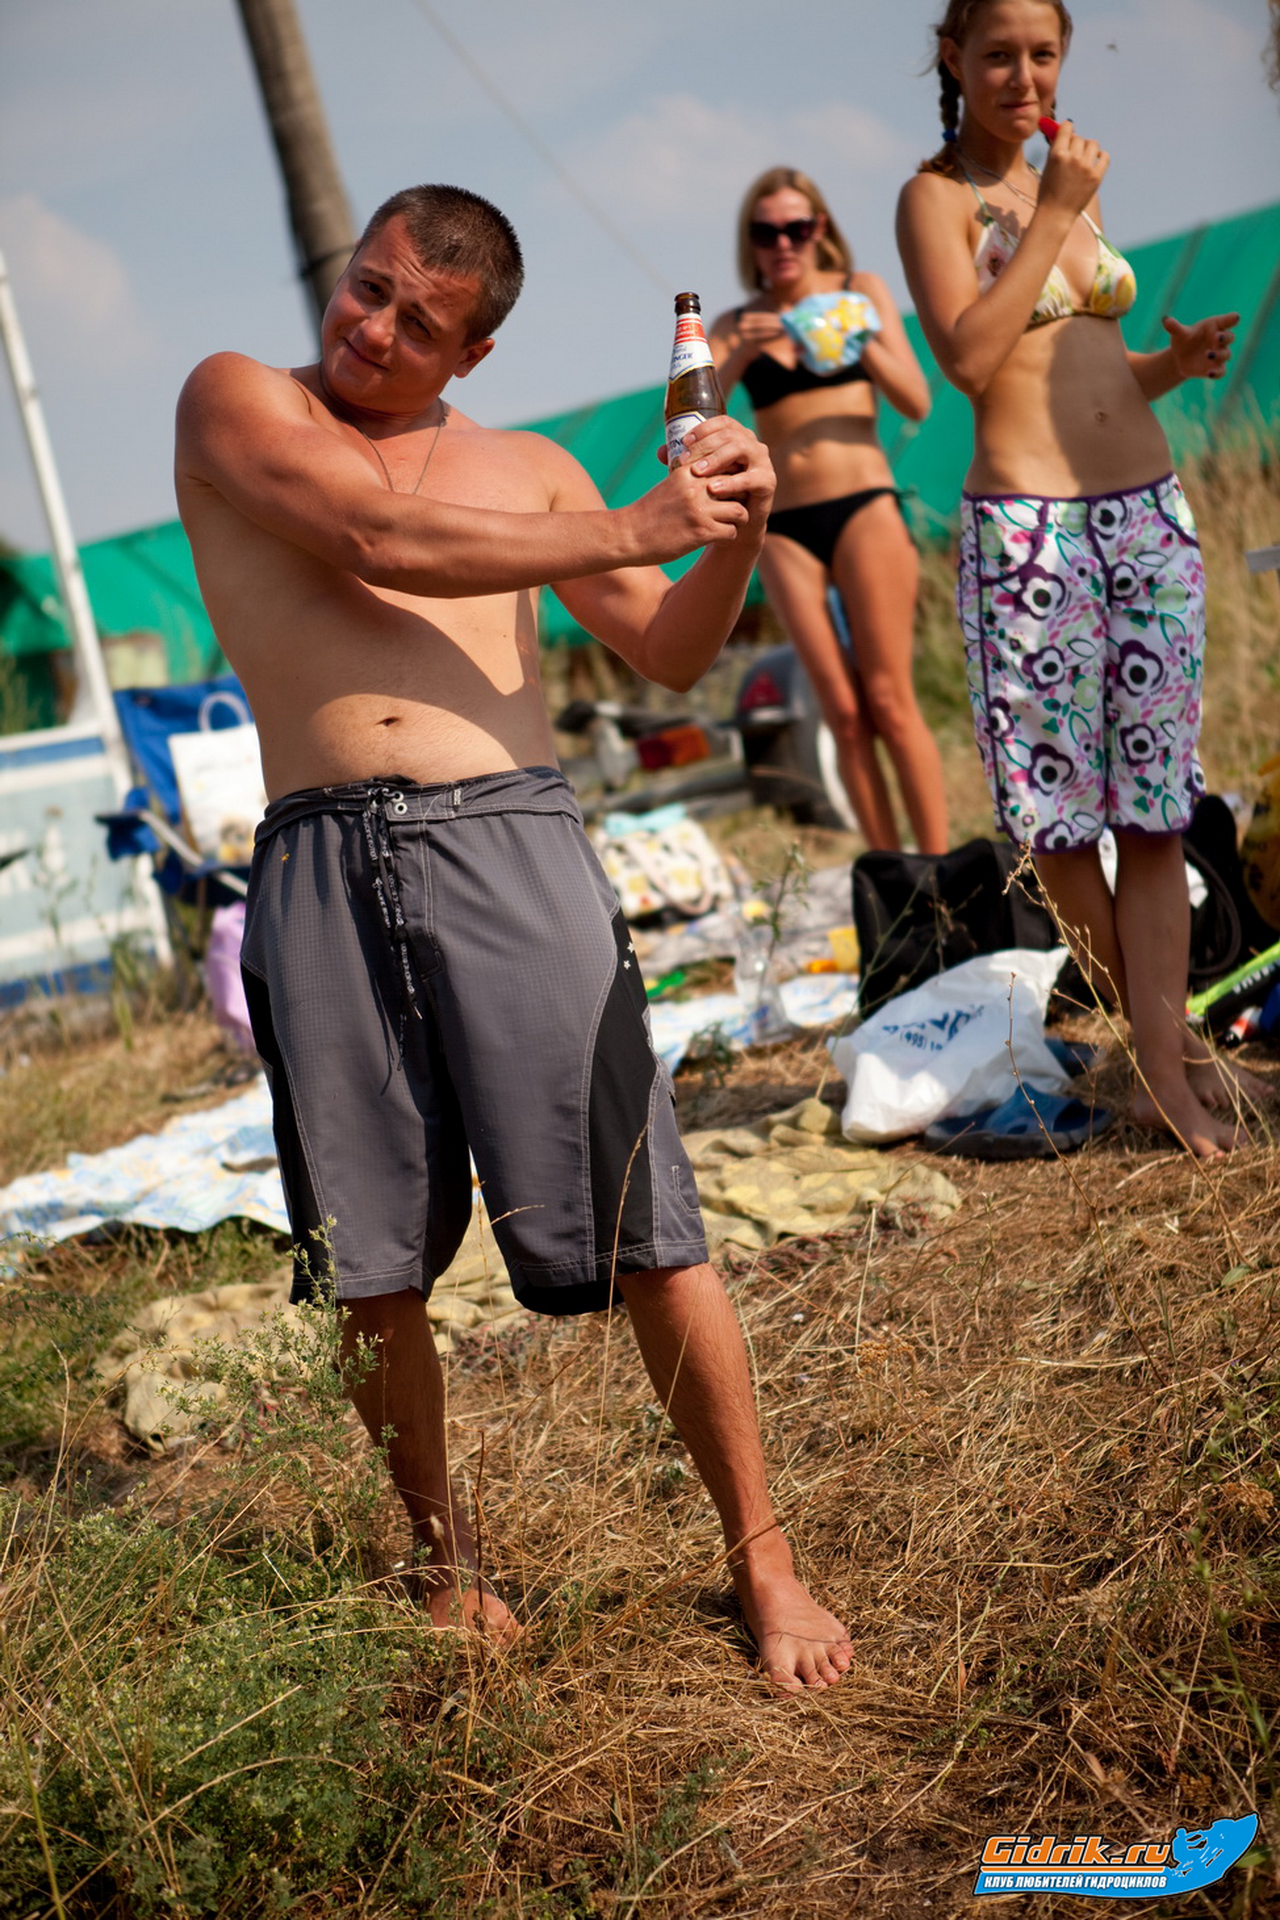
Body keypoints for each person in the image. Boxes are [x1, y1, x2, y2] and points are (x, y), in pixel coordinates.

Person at [174, 182, 851, 1692]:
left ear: (473, 354)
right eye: (367, 287)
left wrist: (730, 530)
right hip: (318, 856)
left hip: (510, 840)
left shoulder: (531, 468)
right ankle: (443, 1562)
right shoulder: (237, 399)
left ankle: (764, 1559)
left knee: (644, 1222)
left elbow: (668, 646)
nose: (374, 329)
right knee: (368, 1259)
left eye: (420, 323)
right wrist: (637, 519)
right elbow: (373, 534)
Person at [896, 0, 1259, 1157]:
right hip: (1029, 533)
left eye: (1041, 53)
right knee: (1056, 825)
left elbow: (1083, 366)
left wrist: (1169, 364)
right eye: (996, 53)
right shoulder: (935, 198)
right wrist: (1052, 211)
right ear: (952, 58)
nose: (1022, 74)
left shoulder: (1068, 181)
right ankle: (1162, 1057)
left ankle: (1167, 1054)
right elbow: (970, 360)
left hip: (1144, 514)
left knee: (1154, 811)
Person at [708, 167, 948, 854]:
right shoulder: (734, 324)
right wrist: (745, 349)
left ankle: (941, 869)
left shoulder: (858, 290)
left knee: (889, 701)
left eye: (796, 227)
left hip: (864, 504)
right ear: (750, 243)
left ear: (820, 230)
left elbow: (916, 400)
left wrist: (851, 334)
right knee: (841, 712)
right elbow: (696, 418)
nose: (782, 243)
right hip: (784, 525)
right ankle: (893, 873)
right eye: (766, 232)